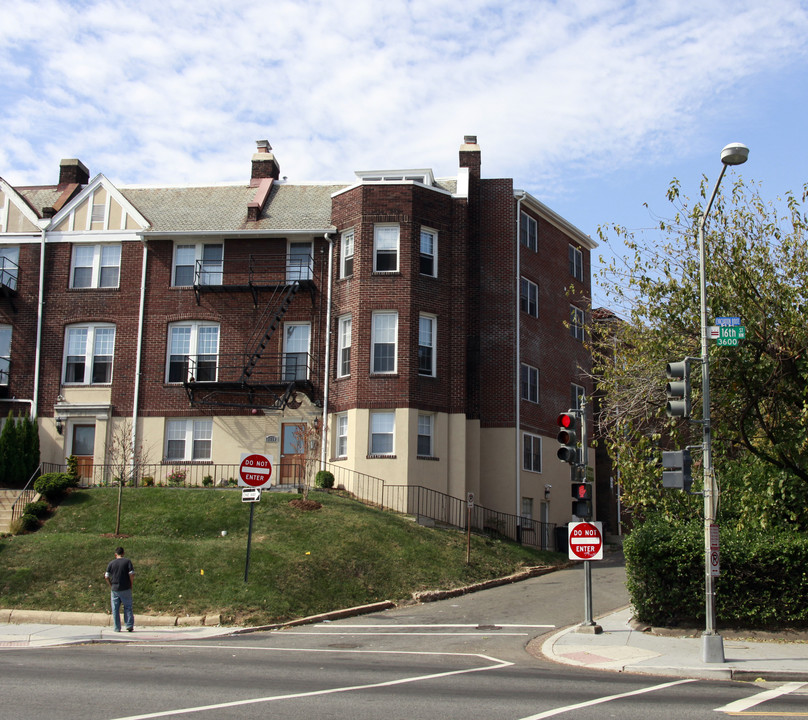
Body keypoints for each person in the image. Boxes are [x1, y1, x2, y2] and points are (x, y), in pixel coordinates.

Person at [104, 546, 135, 632]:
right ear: (123, 553)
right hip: (126, 588)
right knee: (128, 607)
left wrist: (111, 585)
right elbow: (131, 574)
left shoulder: (111, 563)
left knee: (115, 609)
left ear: (115, 555)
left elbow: (106, 576)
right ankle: (129, 625)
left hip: (115, 589)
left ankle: (117, 627)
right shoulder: (127, 562)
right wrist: (131, 583)